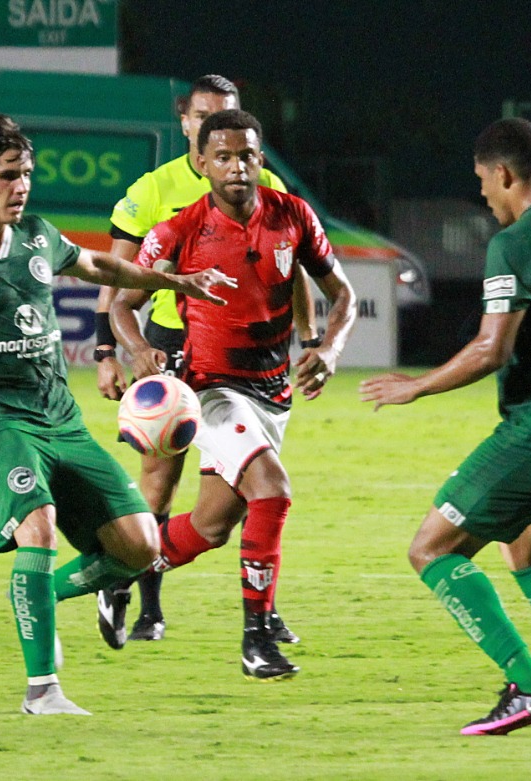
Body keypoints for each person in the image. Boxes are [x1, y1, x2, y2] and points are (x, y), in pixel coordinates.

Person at [0, 112, 234, 715]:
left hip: (61, 419)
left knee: (139, 546)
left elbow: (102, 266)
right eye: (7, 175)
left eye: (26, 173)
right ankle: (42, 689)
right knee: (41, 523)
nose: (21, 186)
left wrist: (173, 281)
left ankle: (37, 596)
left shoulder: (38, 237)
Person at [359, 117, 531, 735]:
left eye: (483, 181)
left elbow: (491, 350)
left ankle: (529, 688)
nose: (483, 194)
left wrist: (416, 386)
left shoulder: (516, 241)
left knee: (431, 548)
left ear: (505, 173)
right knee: (525, 548)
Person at [110, 109, 356, 681]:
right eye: (222, 157)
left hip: (273, 393)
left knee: (210, 528)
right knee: (272, 491)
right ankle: (256, 638)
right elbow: (122, 303)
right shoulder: (179, 230)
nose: (236, 167)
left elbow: (340, 293)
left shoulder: (292, 215)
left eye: (246, 155)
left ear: (260, 159)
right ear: (201, 163)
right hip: (213, 390)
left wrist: (329, 348)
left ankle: (116, 573)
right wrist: (138, 350)